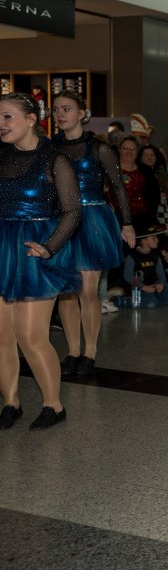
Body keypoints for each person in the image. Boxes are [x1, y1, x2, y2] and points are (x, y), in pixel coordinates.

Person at [0, 93, 81, 430]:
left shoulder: (54, 160)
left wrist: (49, 248)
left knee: (31, 337)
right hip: (3, 249)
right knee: (2, 336)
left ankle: (53, 405)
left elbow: (72, 211)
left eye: (7, 116)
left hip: (36, 250)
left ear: (31, 119)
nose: (1, 124)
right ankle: (11, 402)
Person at [51, 91, 135, 380]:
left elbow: (118, 186)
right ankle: (73, 351)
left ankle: (90, 352)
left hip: (93, 219)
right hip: (62, 220)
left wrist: (127, 223)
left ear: (82, 113)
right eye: (56, 109)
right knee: (66, 292)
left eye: (66, 108)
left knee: (87, 291)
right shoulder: (51, 147)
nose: (60, 114)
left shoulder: (99, 148)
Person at [116, 135, 160, 234]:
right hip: (117, 219)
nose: (128, 151)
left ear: (137, 151)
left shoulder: (146, 170)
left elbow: (154, 194)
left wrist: (151, 212)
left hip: (143, 219)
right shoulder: (112, 169)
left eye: (132, 148)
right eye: (125, 148)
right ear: (119, 150)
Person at [123, 233, 168, 308]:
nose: (157, 240)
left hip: (153, 288)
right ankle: (124, 301)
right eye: (153, 238)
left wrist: (161, 284)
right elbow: (128, 276)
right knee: (151, 303)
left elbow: (161, 275)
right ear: (143, 240)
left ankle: (152, 299)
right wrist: (143, 287)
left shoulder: (156, 256)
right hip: (137, 289)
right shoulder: (132, 256)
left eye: (156, 237)